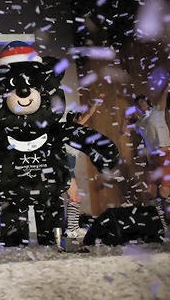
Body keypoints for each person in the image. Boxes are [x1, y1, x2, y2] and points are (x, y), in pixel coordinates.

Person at [120, 61, 170, 232]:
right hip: (153, 159)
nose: (141, 105)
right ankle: (162, 226)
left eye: (143, 102)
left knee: (165, 193)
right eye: (138, 104)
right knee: (151, 192)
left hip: (165, 155)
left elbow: (165, 90)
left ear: (148, 103)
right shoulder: (140, 123)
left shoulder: (158, 111)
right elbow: (122, 131)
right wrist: (125, 118)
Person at [64, 93, 105, 237]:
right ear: (75, 120)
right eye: (80, 118)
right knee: (74, 197)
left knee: (75, 198)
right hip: (66, 169)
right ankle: (71, 229)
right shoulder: (73, 129)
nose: (84, 122)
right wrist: (97, 102)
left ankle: (73, 228)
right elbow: (89, 114)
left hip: (68, 169)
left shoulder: (72, 132)